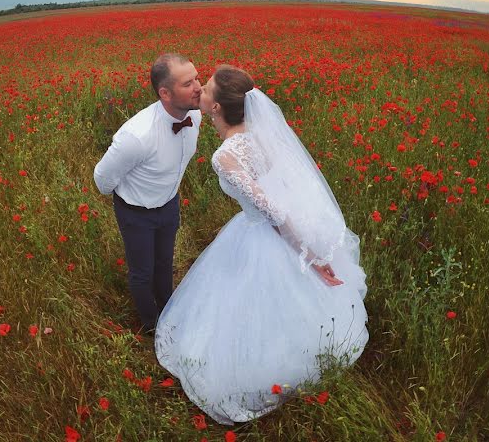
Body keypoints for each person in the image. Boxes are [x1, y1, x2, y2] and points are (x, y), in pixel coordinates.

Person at [155, 65, 369, 425]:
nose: (200, 92)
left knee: (248, 305)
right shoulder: (261, 135)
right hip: (265, 228)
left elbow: (276, 212)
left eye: (205, 89)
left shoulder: (225, 158)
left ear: (217, 108)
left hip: (262, 233)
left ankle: (256, 370)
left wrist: (311, 255)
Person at [93, 53, 202, 333]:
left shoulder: (196, 115)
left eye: (197, 78)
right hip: (136, 211)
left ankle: (168, 310)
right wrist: (132, 195)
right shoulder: (137, 136)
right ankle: (152, 327)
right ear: (165, 93)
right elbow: (102, 179)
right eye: (188, 83)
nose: (199, 87)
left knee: (165, 262)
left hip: (169, 203)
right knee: (143, 272)